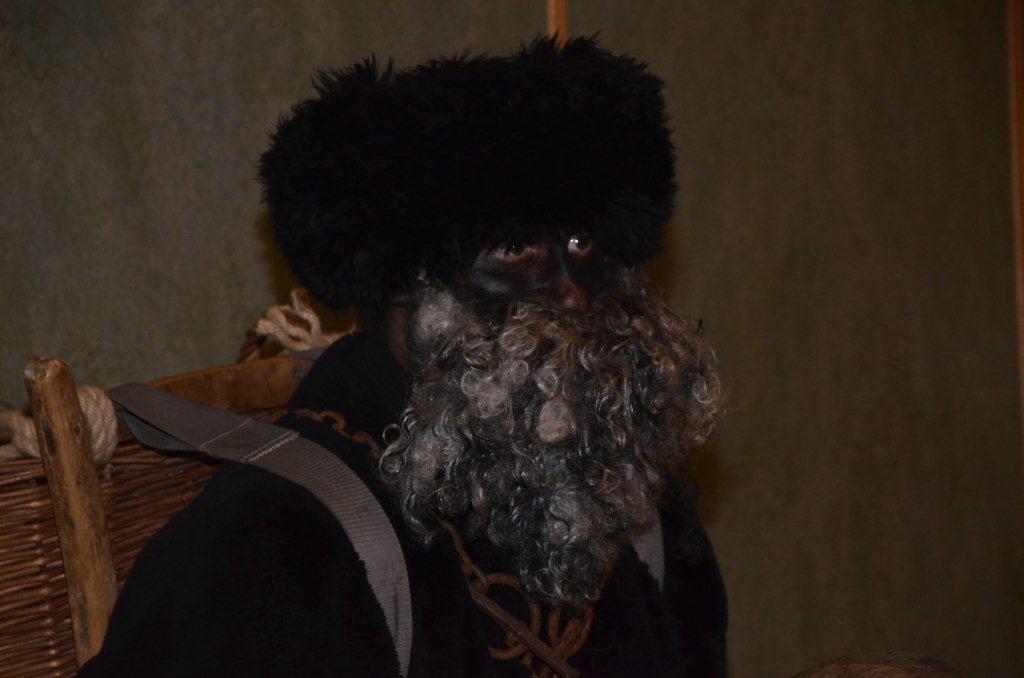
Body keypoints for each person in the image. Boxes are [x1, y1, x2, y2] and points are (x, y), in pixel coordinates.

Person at [81, 34, 727, 677]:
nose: (572, 294)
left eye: (583, 242)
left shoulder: (633, 500)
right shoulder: (274, 546)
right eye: (515, 249)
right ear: (404, 279)